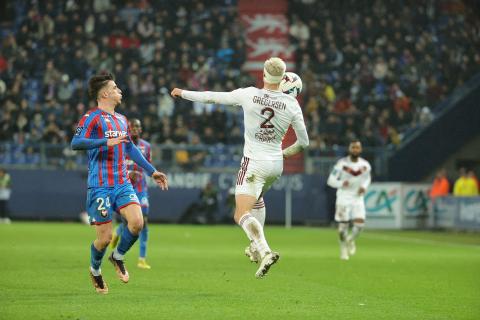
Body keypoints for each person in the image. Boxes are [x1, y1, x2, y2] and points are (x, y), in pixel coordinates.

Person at [171, 57, 309, 278]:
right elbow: (303, 143)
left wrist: (183, 93)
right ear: (282, 78)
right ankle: (255, 248)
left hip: (254, 162)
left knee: (240, 213)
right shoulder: (292, 104)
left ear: (264, 75)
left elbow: (212, 98)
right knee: (258, 200)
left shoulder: (250, 94)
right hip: (276, 165)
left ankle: (264, 250)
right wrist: (281, 153)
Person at [71, 73, 168, 294]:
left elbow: (130, 148)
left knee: (137, 223)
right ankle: (95, 270)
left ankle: (118, 256)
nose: (119, 91)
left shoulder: (122, 119)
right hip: (100, 185)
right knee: (104, 239)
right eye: (115, 88)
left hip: (122, 183)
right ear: (104, 93)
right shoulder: (91, 117)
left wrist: (152, 171)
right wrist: (105, 140)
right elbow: (76, 143)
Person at [111, 119, 154, 270]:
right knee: (128, 221)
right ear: (128, 129)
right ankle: (118, 232)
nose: (135, 129)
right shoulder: (121, 144)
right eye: (132, 127)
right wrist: (129, 173)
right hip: (126, 187)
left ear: (141, 129)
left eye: (138, 126)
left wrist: (153, 174)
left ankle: (142, 259)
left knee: (144, 221)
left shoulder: (147, 146)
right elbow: (116, 165)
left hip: (141, 188)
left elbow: (147, 165)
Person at [327, 140, 371, 261]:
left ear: (360, 150)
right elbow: (330, 181)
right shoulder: (341, 164)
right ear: (349, 149)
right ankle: (343, 248)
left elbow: (367, 179)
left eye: (357, 148)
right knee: (342, 229)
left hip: (357, 197)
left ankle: (350, 240)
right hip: (343, 197)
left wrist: (364, 187)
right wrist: (341, 183)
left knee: (360, 224)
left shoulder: (365, 165)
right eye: (353, 148)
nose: (355, 150)